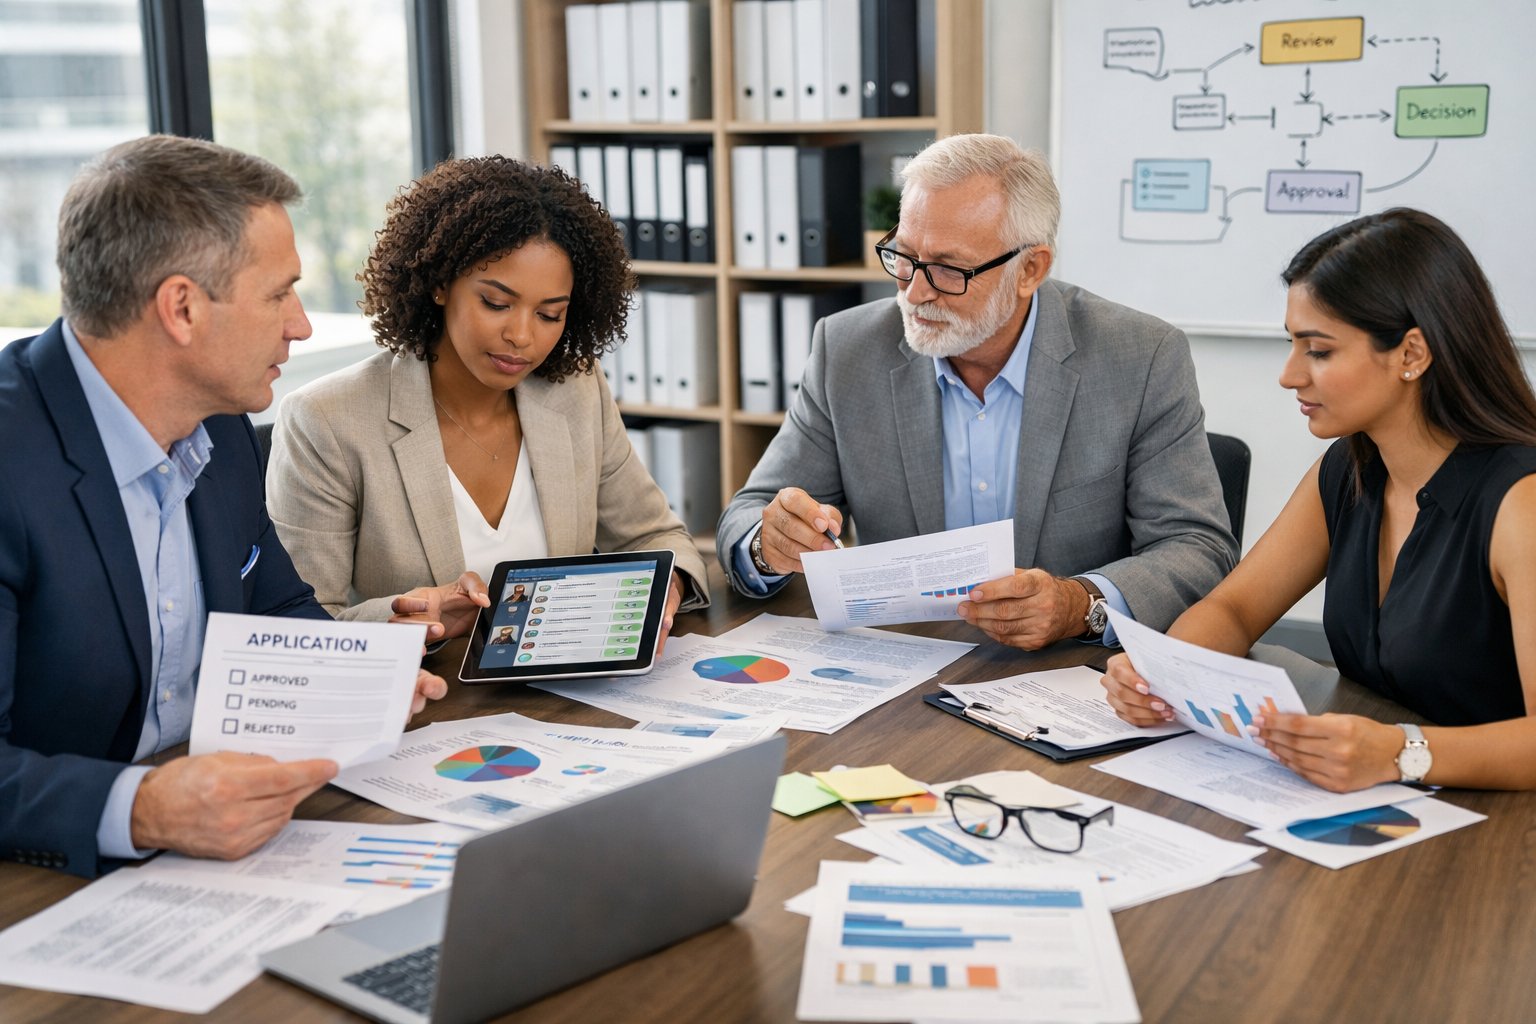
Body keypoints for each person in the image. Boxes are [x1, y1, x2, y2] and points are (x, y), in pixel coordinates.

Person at [0, 135, 449, 878]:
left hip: (228, 841)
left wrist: (363, 676)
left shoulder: (222, 426)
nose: (300, 324)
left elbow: (278, 610)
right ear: (181, 307)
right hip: (48, 877)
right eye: (280, 293)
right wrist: (141, 807)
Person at [717, 133, 1236, 649]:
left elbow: (1197, 547)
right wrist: (769, 544)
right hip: (902, 666)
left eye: (947, 269)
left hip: (1067, 673)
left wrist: (1079, 604)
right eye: (903, 256)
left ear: (1030, 269)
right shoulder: (848, 350)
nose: (915, 292)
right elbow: (749, 514)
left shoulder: (1139, 356)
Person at [1102, 208, 1536, 793]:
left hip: (1497, 830)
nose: (1288, 375)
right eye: (1292, 344)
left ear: (1412, 354)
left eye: (1319, 350)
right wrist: (1164, 674)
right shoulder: (1349, 467)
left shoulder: (1521, 502)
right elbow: (1233, 609)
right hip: (1387, 805)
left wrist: (1399, 752)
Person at [266, 156, 708, 646]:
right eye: (496, 303)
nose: (521, 336)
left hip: (562, 701)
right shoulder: (327, 420)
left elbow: (656, 539)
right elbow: (297, 628)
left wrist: (664, 588)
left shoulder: (576, 391)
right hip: (429, 706)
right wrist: (411, 620)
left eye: (549, 314)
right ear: (439, 283)